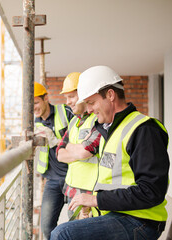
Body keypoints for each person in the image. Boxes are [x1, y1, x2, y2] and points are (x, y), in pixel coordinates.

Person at [50, 66, 170, 240]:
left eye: (91, 102)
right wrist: (93, 203)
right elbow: (114, 181)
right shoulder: (110, 129)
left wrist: (96, 200)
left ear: (111, 95)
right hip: (118, 214)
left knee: (62, 234)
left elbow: (151, 191)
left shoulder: (144, 130)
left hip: (141, 221)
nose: (89, 110)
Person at [56, 72, 100, 219]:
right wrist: (78, 149)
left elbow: (84, 153)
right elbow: (60, 154)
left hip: (91, 194)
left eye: (71, 96)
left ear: (84, 94)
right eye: (66, 97)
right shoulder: (74, 122)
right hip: (72, 191)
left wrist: (72, 148)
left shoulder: (98, 120)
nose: (67, 102)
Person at [33, 81, 74, 240]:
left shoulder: (65, 112)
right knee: (46, 226)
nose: (34, 108)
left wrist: (55, 140)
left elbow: (80, 138)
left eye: (36, 102)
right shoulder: (34, 122)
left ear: (46, 98)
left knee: (76, 223)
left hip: (73, 178)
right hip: (52, 180)